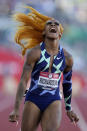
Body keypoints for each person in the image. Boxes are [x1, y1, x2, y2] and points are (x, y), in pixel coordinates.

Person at [9, 6, 79, 131]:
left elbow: (67, 84)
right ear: (44, 32)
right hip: (33, 98)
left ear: (60, 33)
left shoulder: (68, 58)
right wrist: (15, 108)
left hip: (54, 99)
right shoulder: (35, 53)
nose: (53, 25)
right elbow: (23, 81)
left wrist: (69, 109)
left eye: (56, 24)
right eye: (49, 24)